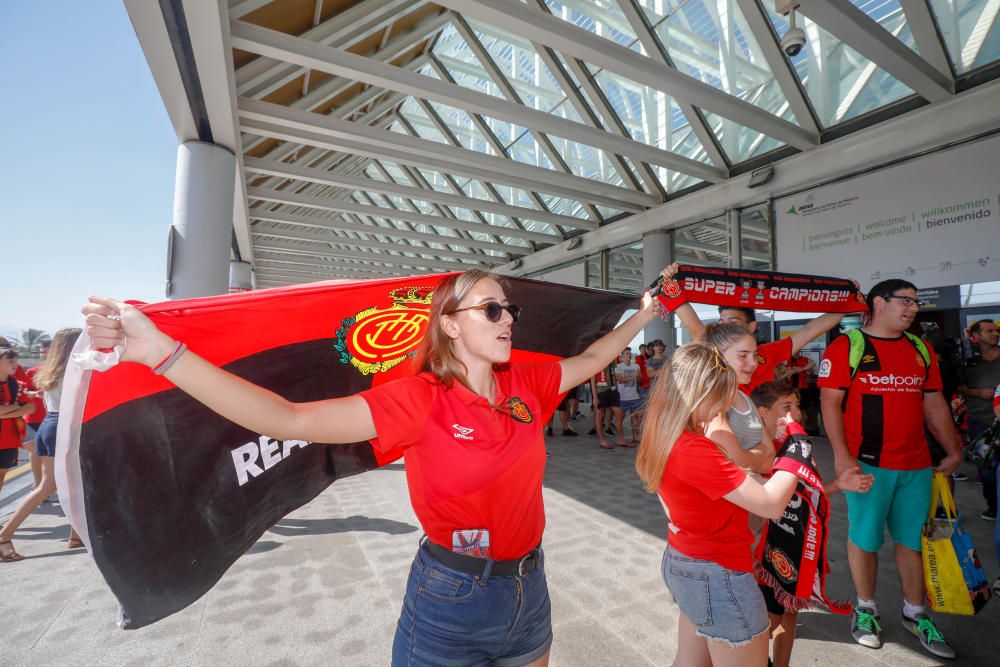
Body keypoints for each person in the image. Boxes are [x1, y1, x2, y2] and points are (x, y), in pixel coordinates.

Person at [80, 269, 661, 666]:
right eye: (490, 308)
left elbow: (591, 358)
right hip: (451, 596)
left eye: (508, 308)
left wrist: (643, 315)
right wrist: (160, 352)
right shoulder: (419, 399)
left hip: (529, 589)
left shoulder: (527, 384)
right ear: (451, 324)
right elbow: (287, 419)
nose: (507, 317)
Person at [819, 279, 962, 659]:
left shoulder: (920, 348)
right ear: (879, 302)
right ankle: (865, 608)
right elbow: (829, 404)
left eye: (917, 302)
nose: (913, 308)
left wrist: (953, 449)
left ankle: (915, 613)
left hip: (917, 466)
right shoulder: (848, 346)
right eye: (906, 301)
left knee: (912, 543)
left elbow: (933, 404)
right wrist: (842, 457)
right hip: (867, 466)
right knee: (865, 540)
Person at [636, 343, 803, 666]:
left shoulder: (664, 435)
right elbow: (770, 503)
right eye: (721, 396)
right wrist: (797, 449)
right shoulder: (695, 450)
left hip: (686, 562)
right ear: (700, 393)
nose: (724, 405)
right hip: (719, 573)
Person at [749, 381, 873, 667]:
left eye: (798, 406)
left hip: (790, 545)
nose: (797, 415)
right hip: (759, 552)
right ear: (763, 412)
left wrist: (838, 484)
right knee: (766, 619)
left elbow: (803, 493)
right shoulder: (755, 450)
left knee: (789, 611)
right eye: (787, 408)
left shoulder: (795, 446)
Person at [662, 263, 848, 390]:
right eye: (721, 322)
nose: (751, 363)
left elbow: (810, 330)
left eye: (733, 323)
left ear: (752, 326)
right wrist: (670, 281)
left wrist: (848, 302)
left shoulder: (769, 352)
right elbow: (687, 315)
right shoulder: (711, 351)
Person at [0, 329, 83, 561]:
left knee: (71, 483)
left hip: (51, 425)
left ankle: (77, 536)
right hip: (66, 427)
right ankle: (4, 535)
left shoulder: (49, 372)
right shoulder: (76, 370)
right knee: (49, 486)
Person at [957, 319, 1000, 519]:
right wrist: (976, 392)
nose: (995, 333)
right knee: (986, 468)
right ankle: (994, 506)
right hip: (980, 422)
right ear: (976, 336)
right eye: (989, 331)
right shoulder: (967, 362)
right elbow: (958, 387)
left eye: (996, 330)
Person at [0, 347, 34, 506]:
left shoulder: (16, 384)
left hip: (10, 438)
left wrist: (7, 411)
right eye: (10, 361)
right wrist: (16, 407)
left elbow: (30, 407)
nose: (15, 364)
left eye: (16, 361)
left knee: (2, 475)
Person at [23, 339, 50, 489]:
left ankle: (47, 485)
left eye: (46, 351)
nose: (43, 354)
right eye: (41, 351)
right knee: (36, 453)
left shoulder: (62, 369)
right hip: (34, 417)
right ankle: (38, 485)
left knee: (50, 454)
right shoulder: (33, 371)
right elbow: (23, 393)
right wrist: (36, 393)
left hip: (52, 416)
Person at [615, 347, 641, 446]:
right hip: (623, 397)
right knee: (620, 418)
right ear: (622, 356)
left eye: (630, 353)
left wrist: (638, 377)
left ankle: (635, 437)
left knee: (635, 418)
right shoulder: (619, 367)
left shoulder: (636, 366)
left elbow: (639, 381)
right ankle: (620, 438)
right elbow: (620, 380)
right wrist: (633, 376)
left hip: (634, 396)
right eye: (627, 353)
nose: (629, 355)